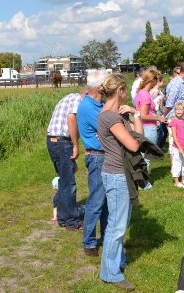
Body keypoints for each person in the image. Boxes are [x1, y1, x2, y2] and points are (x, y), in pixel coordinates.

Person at [98, 74, 143, 292]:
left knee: (121, 223)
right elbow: (134, 146)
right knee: (116, 226)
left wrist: (136, 115)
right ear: (121, 91)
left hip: (121, 174)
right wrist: (131, 118)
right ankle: (110, 273)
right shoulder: (109, 117)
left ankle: (118, 261)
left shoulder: (118, 115)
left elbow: (140, 138)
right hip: (116, 175)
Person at [77, 69, 109, 257]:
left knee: (105, 202)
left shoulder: (99, 104)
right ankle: (89, 242)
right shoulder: (89, 107)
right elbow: (110, 128)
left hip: (102, 155)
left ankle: (106, 238)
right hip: (97, 156)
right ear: (100, 87)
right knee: (96, 201)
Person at [46, 90, 85, 231]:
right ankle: (72, 221)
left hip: (52, 141)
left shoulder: (68, 97)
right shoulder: (77, 100)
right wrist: (75, 145)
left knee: (64, 179)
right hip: (63, 142)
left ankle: (62, 217)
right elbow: (71, 119)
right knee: (69, 182)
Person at [135, 69, 167, 189]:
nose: (157, 82)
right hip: (148, 128)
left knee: (142, 155)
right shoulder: (145, 95)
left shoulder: (141, 93)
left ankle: (140, 180)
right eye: (156, 79)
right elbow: (144, 114)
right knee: (146, 156)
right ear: (152, 80)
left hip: (144, 126)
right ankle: (143, 183)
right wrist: (159, 118)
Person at [169, 101, 184, 188]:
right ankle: (176, 181)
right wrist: (179, 147)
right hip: (177, 147)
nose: (178, 111)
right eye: (177, 109)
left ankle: (183, 179)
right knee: (177, 163)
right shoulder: (174, 121)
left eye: (180, 109)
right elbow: (174, 136)